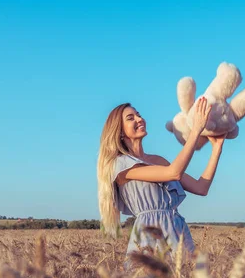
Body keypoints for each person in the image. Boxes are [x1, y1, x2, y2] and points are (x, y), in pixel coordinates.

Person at [96, 96, 226, 260]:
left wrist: (217, 148)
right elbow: (174, 173)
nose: (139, 119)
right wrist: (196, 130)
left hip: (178, 231)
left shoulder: (158, 161)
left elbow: (201, 188)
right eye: (131, 118)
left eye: (138, 114)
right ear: (120, 131)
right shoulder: (120, 165)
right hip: (150, 234)